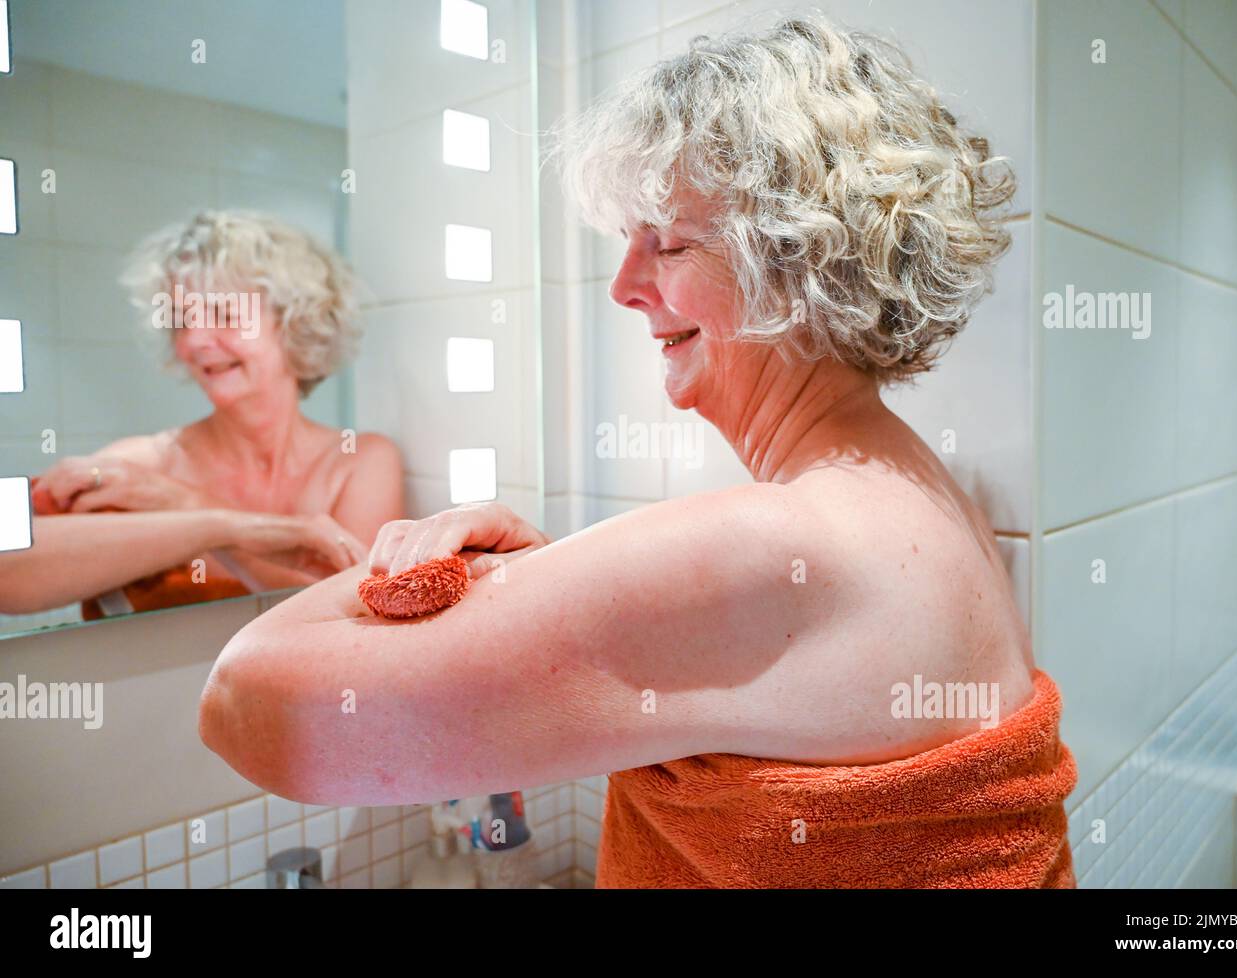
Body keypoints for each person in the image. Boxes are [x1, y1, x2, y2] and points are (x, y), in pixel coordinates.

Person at [199, 15, 1076, 888]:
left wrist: (472, 584)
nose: (624, 286)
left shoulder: (780, 548)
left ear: (798, 261)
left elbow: (246, 705)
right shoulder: (925, 491)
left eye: (669, 241)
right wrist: (536, 584)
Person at [0, 212, 402, 617]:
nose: (194, 342)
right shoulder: (139, 467)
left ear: (297, 324)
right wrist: (222, 528)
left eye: (223, 315)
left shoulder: (358, 461)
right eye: (181, 320)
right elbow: (7, 574)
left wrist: (184, 502)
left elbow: (358, 613)